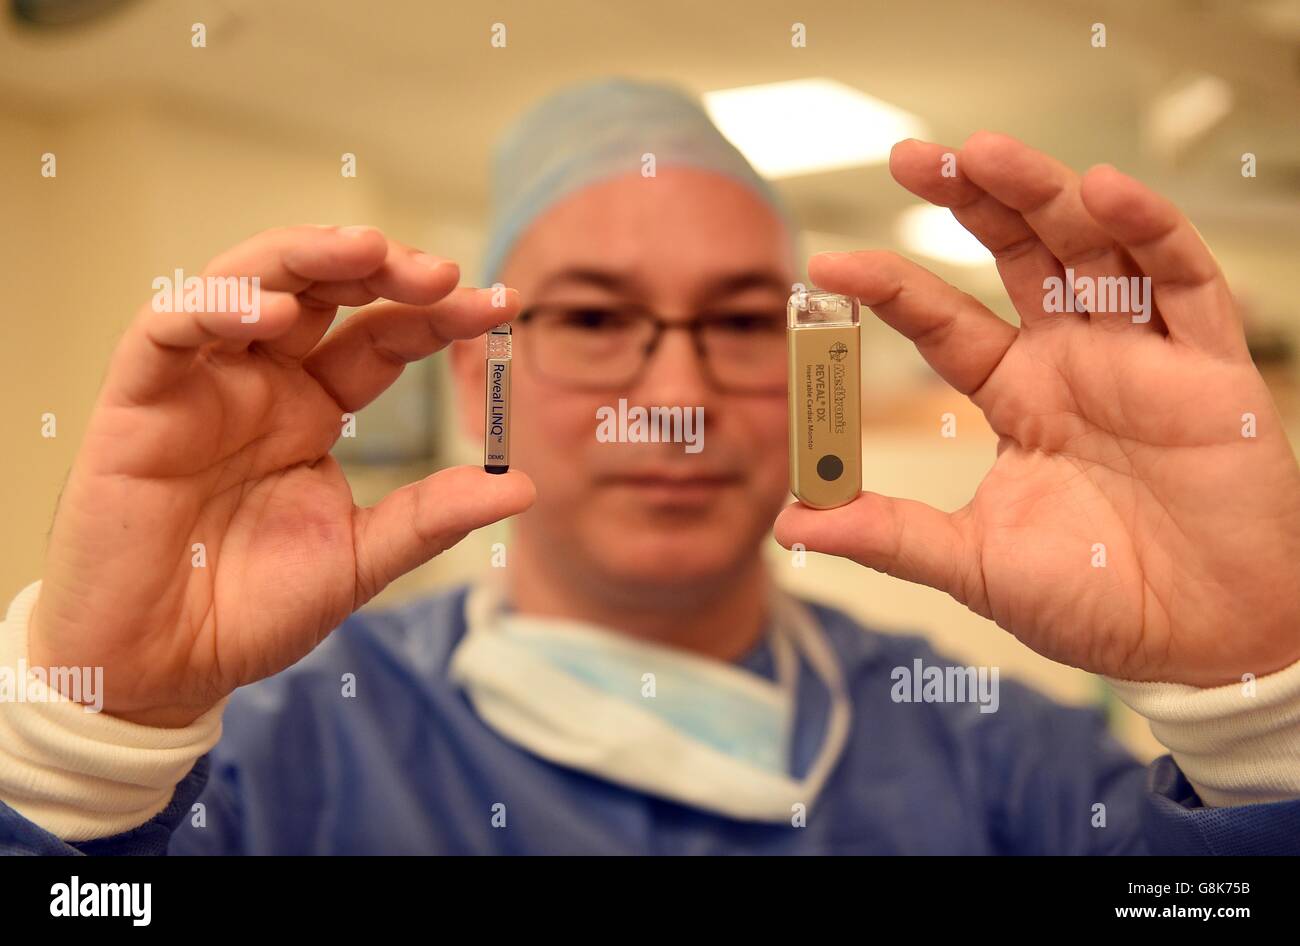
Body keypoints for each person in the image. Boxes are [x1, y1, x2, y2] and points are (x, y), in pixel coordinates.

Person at [1, 78, 1298, 855]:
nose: (673, 399)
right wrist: (85, 749)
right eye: (596, 318)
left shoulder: (1008, 761)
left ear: (809, 379)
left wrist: (1255, 715)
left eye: (740, 322)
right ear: (477, 374)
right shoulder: (270, 764)